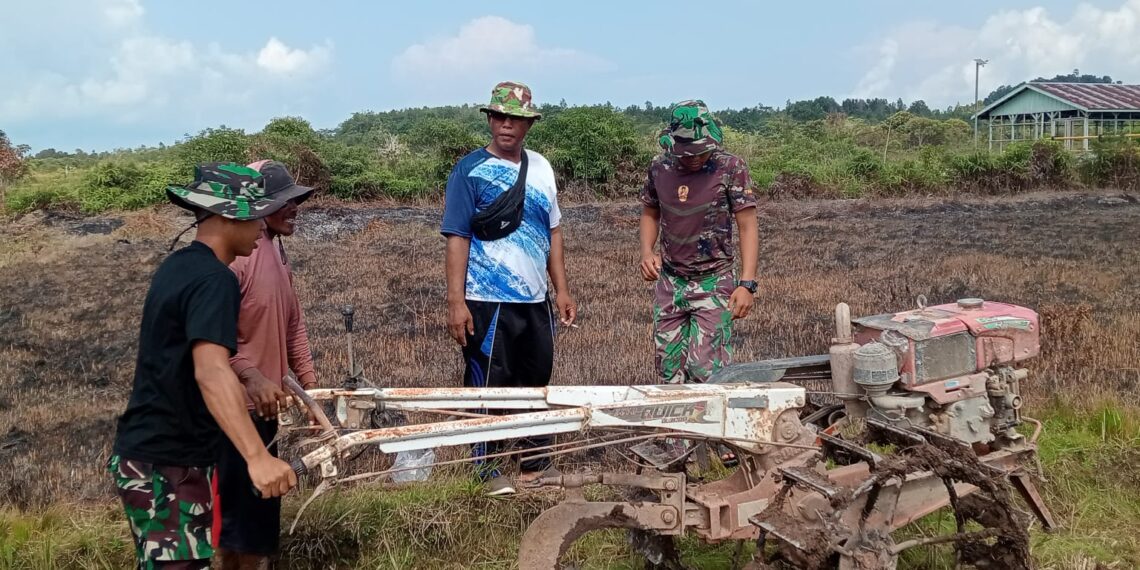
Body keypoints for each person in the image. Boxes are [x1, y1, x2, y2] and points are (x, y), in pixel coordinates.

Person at [109, 163, 297, 570]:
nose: (260, 227)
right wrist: (257, 457)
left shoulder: (178, 267)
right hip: (166, 460)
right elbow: (211, 370)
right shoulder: (215, 279)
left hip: (157, 454)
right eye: (255, 216)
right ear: (230, 216)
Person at [440, 80, 576, 496]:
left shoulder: (542, 167)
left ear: (528, 124)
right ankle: (486, 469)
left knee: (535, 381)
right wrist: (456, 301)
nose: (506, 125)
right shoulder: (468, 171)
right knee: (487, 384)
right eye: (499, 116)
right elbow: (457, 236)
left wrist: (562, 290)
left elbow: (553, 231)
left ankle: (535, 463)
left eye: (515, 119)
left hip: (535, 301)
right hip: (486, 301)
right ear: (489, 119)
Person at [213, 160, 317, 570]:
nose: (295, 209)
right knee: (238, 531)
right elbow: (213, 342)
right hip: (235, 412)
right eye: (284, 202)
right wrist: (250, 376)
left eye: (295, 201)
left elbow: (293, 325)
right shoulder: (237, 261)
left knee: (254, 527)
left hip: (266, 411)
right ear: (256, 208)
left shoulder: (276, 250)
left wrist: (311, 389)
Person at [639, 100, 759, 386]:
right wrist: (646, 252)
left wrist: (746, 284)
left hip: (714, 281)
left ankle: (706, 430)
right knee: (668, 368)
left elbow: (747, 226)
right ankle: (675, 431)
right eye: (686, 153)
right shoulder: (659, 167)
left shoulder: (730, 168)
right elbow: (650, 212)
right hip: (671, 282)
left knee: (707, 370)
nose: (693, 158)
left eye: (699, 152)